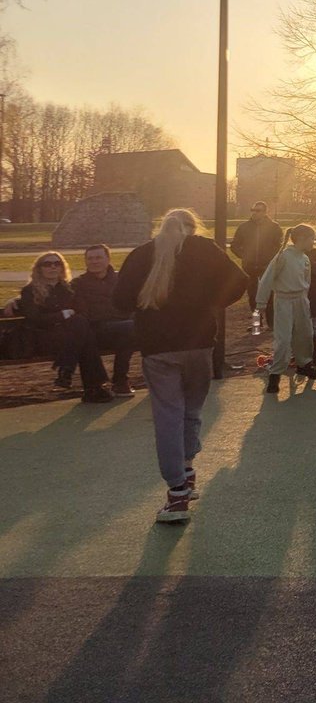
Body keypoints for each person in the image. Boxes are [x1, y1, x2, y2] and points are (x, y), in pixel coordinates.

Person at [113, 209, 249, 524]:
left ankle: (176, 493)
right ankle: (187, 472)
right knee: (191, 411)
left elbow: (119, 301)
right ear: (193, 227)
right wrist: (211, 303)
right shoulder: (204, 248)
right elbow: (240, 281)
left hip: (158, 347)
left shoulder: (142, 254)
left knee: (167, 416)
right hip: (200, 343)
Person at [20, 250, 112, 401]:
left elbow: (82, 312)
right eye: (47, 264)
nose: (53, 267)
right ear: (39, 268)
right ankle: (94, 387)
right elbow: (34, 319)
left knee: (81, 328)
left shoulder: (69, 289)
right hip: (44, 337)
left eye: (57, 264)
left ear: (62, 267)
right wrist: (61, 315)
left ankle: (67, 370)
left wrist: (70, 319)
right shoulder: (30, 291)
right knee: (84, 336)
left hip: (70, 338)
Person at [256, 224, 316, 394]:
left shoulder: (305, 258)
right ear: (301, 239)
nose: (313, 242)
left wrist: (304, 300)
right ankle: (275, 375)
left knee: (305, 335)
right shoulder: (283, 256)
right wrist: (261, 303)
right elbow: (267, 278)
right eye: (311, 238)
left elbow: (306, 282)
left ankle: (304, 364)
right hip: (284, 301)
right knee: (283, 339)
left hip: (300, 300)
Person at [74, 243, 136, 395]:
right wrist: (14, 300)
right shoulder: (78, 283)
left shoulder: (121, 279)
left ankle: (121, 381)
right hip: (96, 330)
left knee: (130, 332)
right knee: (132, 328)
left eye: (98, 257)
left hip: (124, 328)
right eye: (90, 258)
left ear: (108, 259)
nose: (94, 262)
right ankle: (120, 381)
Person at [229, 201, 284, 323]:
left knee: (270, 295)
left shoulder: (274, 227)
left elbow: (279, 247)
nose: (254, 213)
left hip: (267, 266)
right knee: (253, 296)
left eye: (258, 210)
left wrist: (272, 259)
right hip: (250, 266)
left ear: (265, 212)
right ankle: (256, 323)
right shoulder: (244, 227)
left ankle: (272, 322)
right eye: (253, 210)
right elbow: (235, 245)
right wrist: (245, 256)